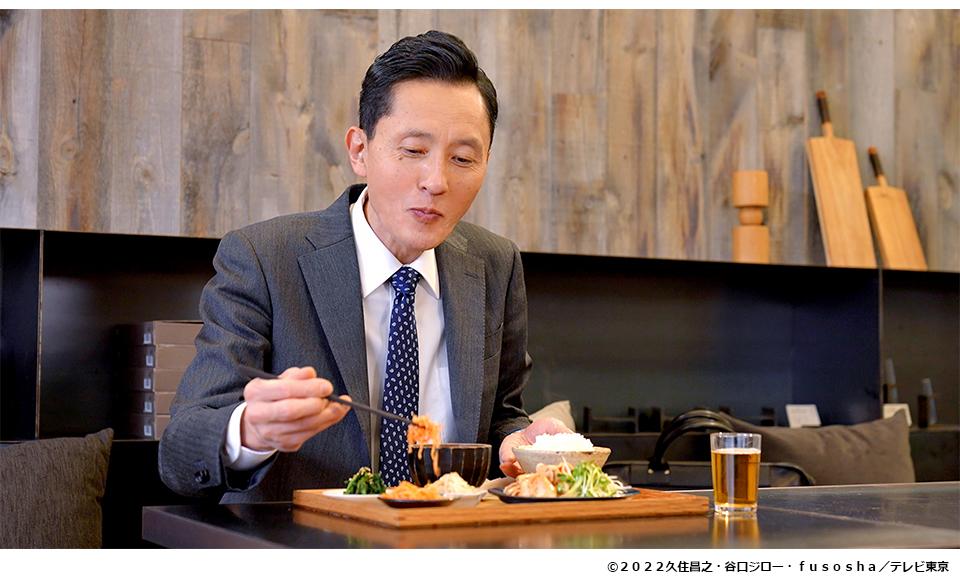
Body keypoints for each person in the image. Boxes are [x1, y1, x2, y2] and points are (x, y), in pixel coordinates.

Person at [159, 30, 569, 501]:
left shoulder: (495, 265)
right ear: (359, 150)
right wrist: (251, 430)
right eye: (413, 151)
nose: (436, 181)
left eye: (462, 158)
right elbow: (180, 451)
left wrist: (519, 441)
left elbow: (500, 416)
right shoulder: (264, 257)